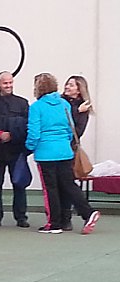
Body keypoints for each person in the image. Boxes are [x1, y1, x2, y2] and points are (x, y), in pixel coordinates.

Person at [25, 73, 100, 235]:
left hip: (45, 153)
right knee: (69, 185)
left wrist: (29, 147)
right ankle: (88, 212)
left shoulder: (36, 107)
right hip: (65, 151)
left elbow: (34, 133)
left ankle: (54, 223)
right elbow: (70, 128)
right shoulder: (64, 104)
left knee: (50, 189)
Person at [0, 71, 30, 228]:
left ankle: (21, 217)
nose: (8, 86)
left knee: (19, 184)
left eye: (10, 82)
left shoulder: (22, 103)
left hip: (16, 150)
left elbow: (27, 124)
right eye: (5, 83)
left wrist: (13, 136)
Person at [60, 75, 94, 230]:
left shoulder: (82, 108)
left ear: (79, 90)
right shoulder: (60, 101)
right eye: (67, 84)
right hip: (58, 147)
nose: (67, 87)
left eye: (72, 85)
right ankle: (63, 217)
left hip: (69, 149)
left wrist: (77, 111)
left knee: (67, 182)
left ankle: (72, 216)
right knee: (61, 184)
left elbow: (77, 131)